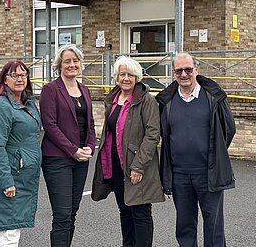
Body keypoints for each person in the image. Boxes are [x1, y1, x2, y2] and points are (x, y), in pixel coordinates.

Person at [155, 52, 236, 247]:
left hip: (208, 173)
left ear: (196, 71)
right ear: (173, 73)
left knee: (214, 226)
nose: (184, 74)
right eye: (179, 71)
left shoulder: (213, 98)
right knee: (184, 226)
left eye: (188, 70)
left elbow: (229, 129)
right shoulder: (166, 102)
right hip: (179, 175)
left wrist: (214, 152)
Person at [91, 55, 165, 247]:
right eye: (122, 74)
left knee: (141, 215)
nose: (126, 78)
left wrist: (138, 167)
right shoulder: (113, 100)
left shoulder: (147, 101)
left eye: (130, 75)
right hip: (116, 167)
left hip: (137, 168)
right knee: (125, 212)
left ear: (137, 77)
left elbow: (152, 135)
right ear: (117, 77)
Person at [0, 60, 41, 247]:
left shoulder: (28, 101)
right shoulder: (0, 106)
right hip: (11, 175)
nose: (20, 79)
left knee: (8, 227)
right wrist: (6, 181)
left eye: (23, 75)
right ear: (5, 79)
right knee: (9, 229)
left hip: (22, 174)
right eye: (14, 75)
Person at [39, 44, 97, 247]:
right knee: (62, 215)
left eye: (75, 61)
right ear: (59, 65)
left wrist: (90, 146)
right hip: (57, 159)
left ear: (80, 63)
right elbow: (50, 125)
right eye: (67, 61)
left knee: (72, 213)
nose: (72, 65)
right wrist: (72, 150)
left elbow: (89, 123)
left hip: (81, 159)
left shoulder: (85, 90)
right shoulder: (50, 90)